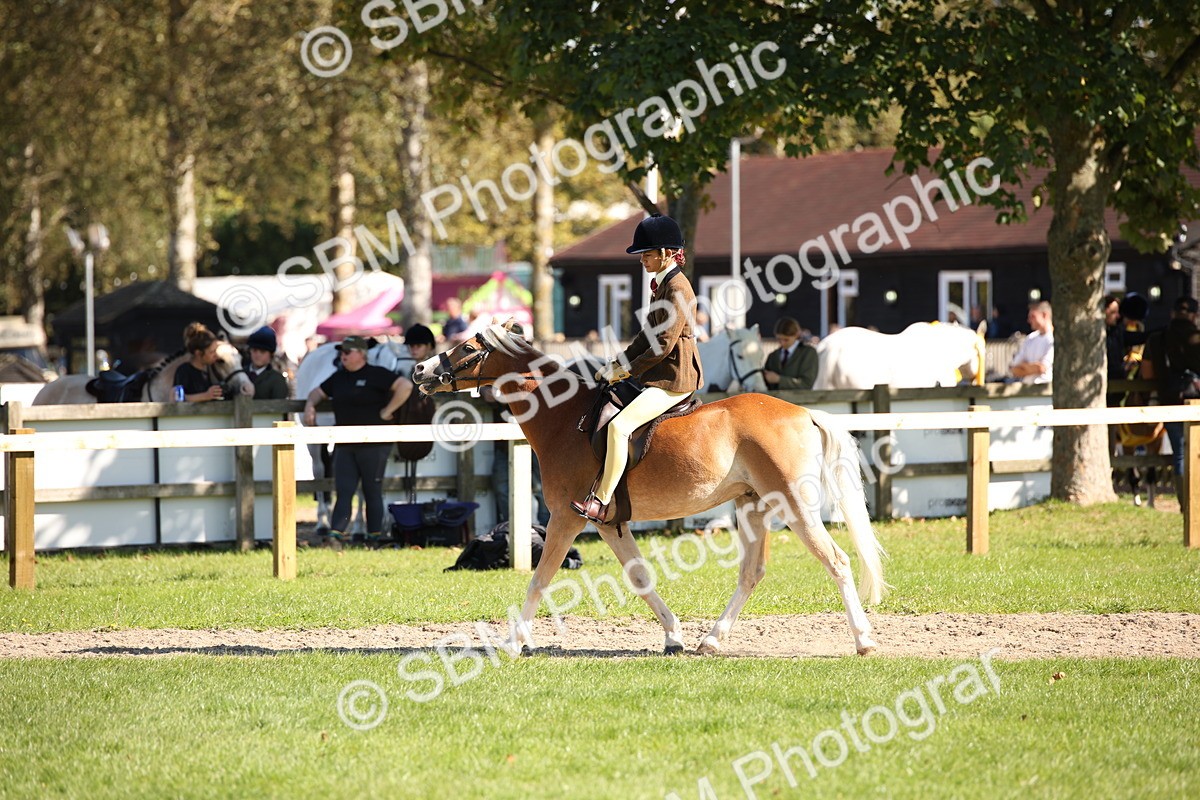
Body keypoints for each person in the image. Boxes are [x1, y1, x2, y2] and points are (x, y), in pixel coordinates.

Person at [571, 213, 703, 524]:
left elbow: (664, 345)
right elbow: (646, 336)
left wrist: (627, 372)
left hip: (674, 378)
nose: (642, 260)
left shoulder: (678, 288)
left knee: (619, 427)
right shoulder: (663, 284)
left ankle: (601, 501)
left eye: (646, 254)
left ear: (666, 254)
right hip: (660, 374)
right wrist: (618, 362)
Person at [303, 335, 412, 546]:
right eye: (341, 352)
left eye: (347, 352)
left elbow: (405, 386)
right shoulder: (338, 377)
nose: (342, 356)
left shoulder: (377, 374)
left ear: (362, 354)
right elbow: (317, 392)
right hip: (345, 444)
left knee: (372, 491)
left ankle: (374, 538)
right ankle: (335, 536)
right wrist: (310, 405)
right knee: (344, 490)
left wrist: (388, 411)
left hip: (375, 444)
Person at [1142, 296, 1200, 511]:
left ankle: (1187, 505)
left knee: (1180, 454)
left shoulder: (1156, 339)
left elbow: (1147, 374)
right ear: (1194, 316)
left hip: (1171, 401)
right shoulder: (1197, 338)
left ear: (1172, 314)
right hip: (1197, 401)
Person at [173, 322, 225, 402]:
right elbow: (175, 398)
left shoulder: (213, 368)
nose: (216, 355)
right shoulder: (184, 371)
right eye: (211, 352)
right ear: (198, 353)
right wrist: (205, 396)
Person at [763, 316, 818, 390]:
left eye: (786, 340)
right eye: (779, 339)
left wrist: (779, 379)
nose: (782, 343)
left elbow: (806, 384)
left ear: (796, 335)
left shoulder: (808, 353)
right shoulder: (773, 356)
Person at [1009, 301, 1054, 384]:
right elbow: (1014, 369)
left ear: (1044, 315)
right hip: (1028, 387)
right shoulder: (1030, 338)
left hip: (1045, 387)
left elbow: (1041, 368)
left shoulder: (1053, 339)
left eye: (1033, 316)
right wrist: (1033, 367)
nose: (1029, 320)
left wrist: (1024, 366)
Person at [245, 326, 289, 400]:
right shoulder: (240, 374)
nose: (258, 355)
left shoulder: (277, 379)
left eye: (263, 352)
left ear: (271, 355)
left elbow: (279, 405)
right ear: (250, 351)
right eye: (255, 350)